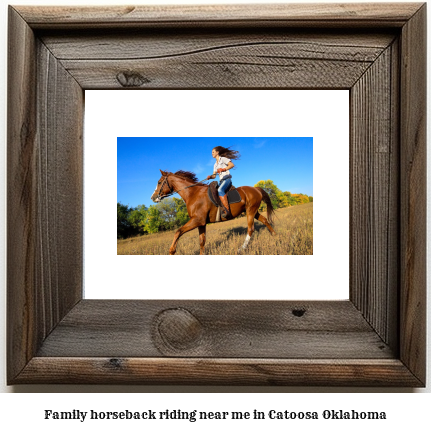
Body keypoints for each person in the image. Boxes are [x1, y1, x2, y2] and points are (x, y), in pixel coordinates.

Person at [206, 146, 240, 219]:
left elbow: (231, 165)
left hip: (227, 179)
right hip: (221, 181)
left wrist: (223, 169)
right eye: (212, 152)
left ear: (217, 152)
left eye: (213, 152)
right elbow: (214, 176)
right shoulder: (215, 165)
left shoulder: (223, 159)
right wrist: (210, 177)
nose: (212, 153)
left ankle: (226, 211)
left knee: (220, 190)